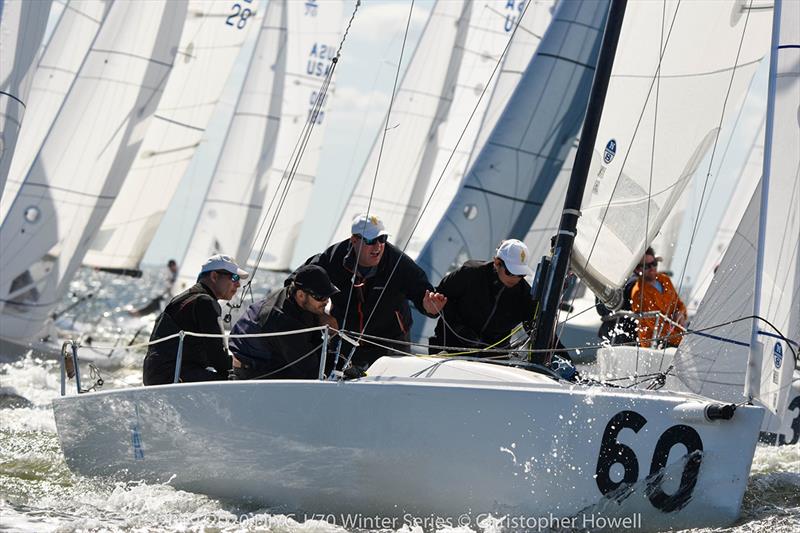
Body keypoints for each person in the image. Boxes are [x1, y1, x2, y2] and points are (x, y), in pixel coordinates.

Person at [298, 213, 447, 368]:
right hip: (345, 340)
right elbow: (298, 279)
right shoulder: (334, 257)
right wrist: (320, 316)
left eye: (382, 239)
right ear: (354, 240)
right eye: (370, 240)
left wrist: (430, 307)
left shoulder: (398, 262)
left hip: (391, 344)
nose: (378, 246)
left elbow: (423, 292)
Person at [142, 254, 248, 385]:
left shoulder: (186, 298)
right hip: (172, 376)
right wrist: (245, 369)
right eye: (234, 277)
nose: (238, 284)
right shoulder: (205, 302)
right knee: (238, 382)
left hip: (157, 375)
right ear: (214, 276)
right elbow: (217, 358)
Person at [229, 265, 340, 380]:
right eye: (320, 297)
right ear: (301, 295)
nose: (326, 301)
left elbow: (315, 347)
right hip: (253, 374)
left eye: (328, 296)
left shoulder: (297, 300)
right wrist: (333, 339)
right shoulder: (283, 322)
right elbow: (310, 371)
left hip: (272, 360)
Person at [429, 239, 535, 354]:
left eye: (520, 274)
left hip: (492, 360)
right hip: (448, 349)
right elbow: (439, 298)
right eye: (510, 272)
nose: (515, 278)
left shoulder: (525, 295)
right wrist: (460, 329)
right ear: (497, 262)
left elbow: (536, 326)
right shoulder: (470, 273)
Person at [630, 247, 687, 347]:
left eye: (654, 263)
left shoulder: (665, 279)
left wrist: (681, 314)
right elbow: (655, 326)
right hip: (656, 342)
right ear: (638, 269)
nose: (652, 268)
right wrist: (682, 339)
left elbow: (679, 304)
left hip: (677, 335)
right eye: (647, 266)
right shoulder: (638, 293)